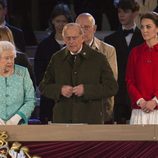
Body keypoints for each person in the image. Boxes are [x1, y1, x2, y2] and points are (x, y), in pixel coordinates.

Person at [39, 23, 118, 124]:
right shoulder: (57, 58)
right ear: (63, 38)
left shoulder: (98, 59)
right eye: (68, 38)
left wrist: (86, 90)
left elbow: (112, 87)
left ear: (82, 37)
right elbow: (43, 87)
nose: (71, 42)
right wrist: (60, 90)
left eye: (74, 38)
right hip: (63, 119)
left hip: (90, 119)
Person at [104, 0, 144, 124]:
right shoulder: (110, 39)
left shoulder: (145, 37)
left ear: (135, 13)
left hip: (139, 92)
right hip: (118, 93)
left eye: (125, 12)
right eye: (119, 12)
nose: (121, 15)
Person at [34, 3, 73, 124]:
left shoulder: (76, 45)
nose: (61, 25)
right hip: (50, 101)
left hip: (73, 100)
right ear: (52, 22)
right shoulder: (44, 46)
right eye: (58, 21)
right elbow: (40, 75)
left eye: (64, 21)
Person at [75, 13, 118, 123]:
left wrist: (85, 88)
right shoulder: (66, 52)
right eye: (79, 27)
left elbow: (110, 83)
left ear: (94, 29)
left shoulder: (108, 51)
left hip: (102, 111)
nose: (83, 31)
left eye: (87, 27)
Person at [126, 12, 158, 124]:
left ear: (157, 28)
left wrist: (155, 101)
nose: (144, 30)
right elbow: (129, 81)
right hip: (139, 111)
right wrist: (141, 101)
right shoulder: (135, 53)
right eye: (142, 27)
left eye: (148, 27)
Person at [0, 41, 35, 125]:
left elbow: (31, 100)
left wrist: (18, 117)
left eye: (12, 57)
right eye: (6, 58)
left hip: (18, 125)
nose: (10, 61)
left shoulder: (23, 72)